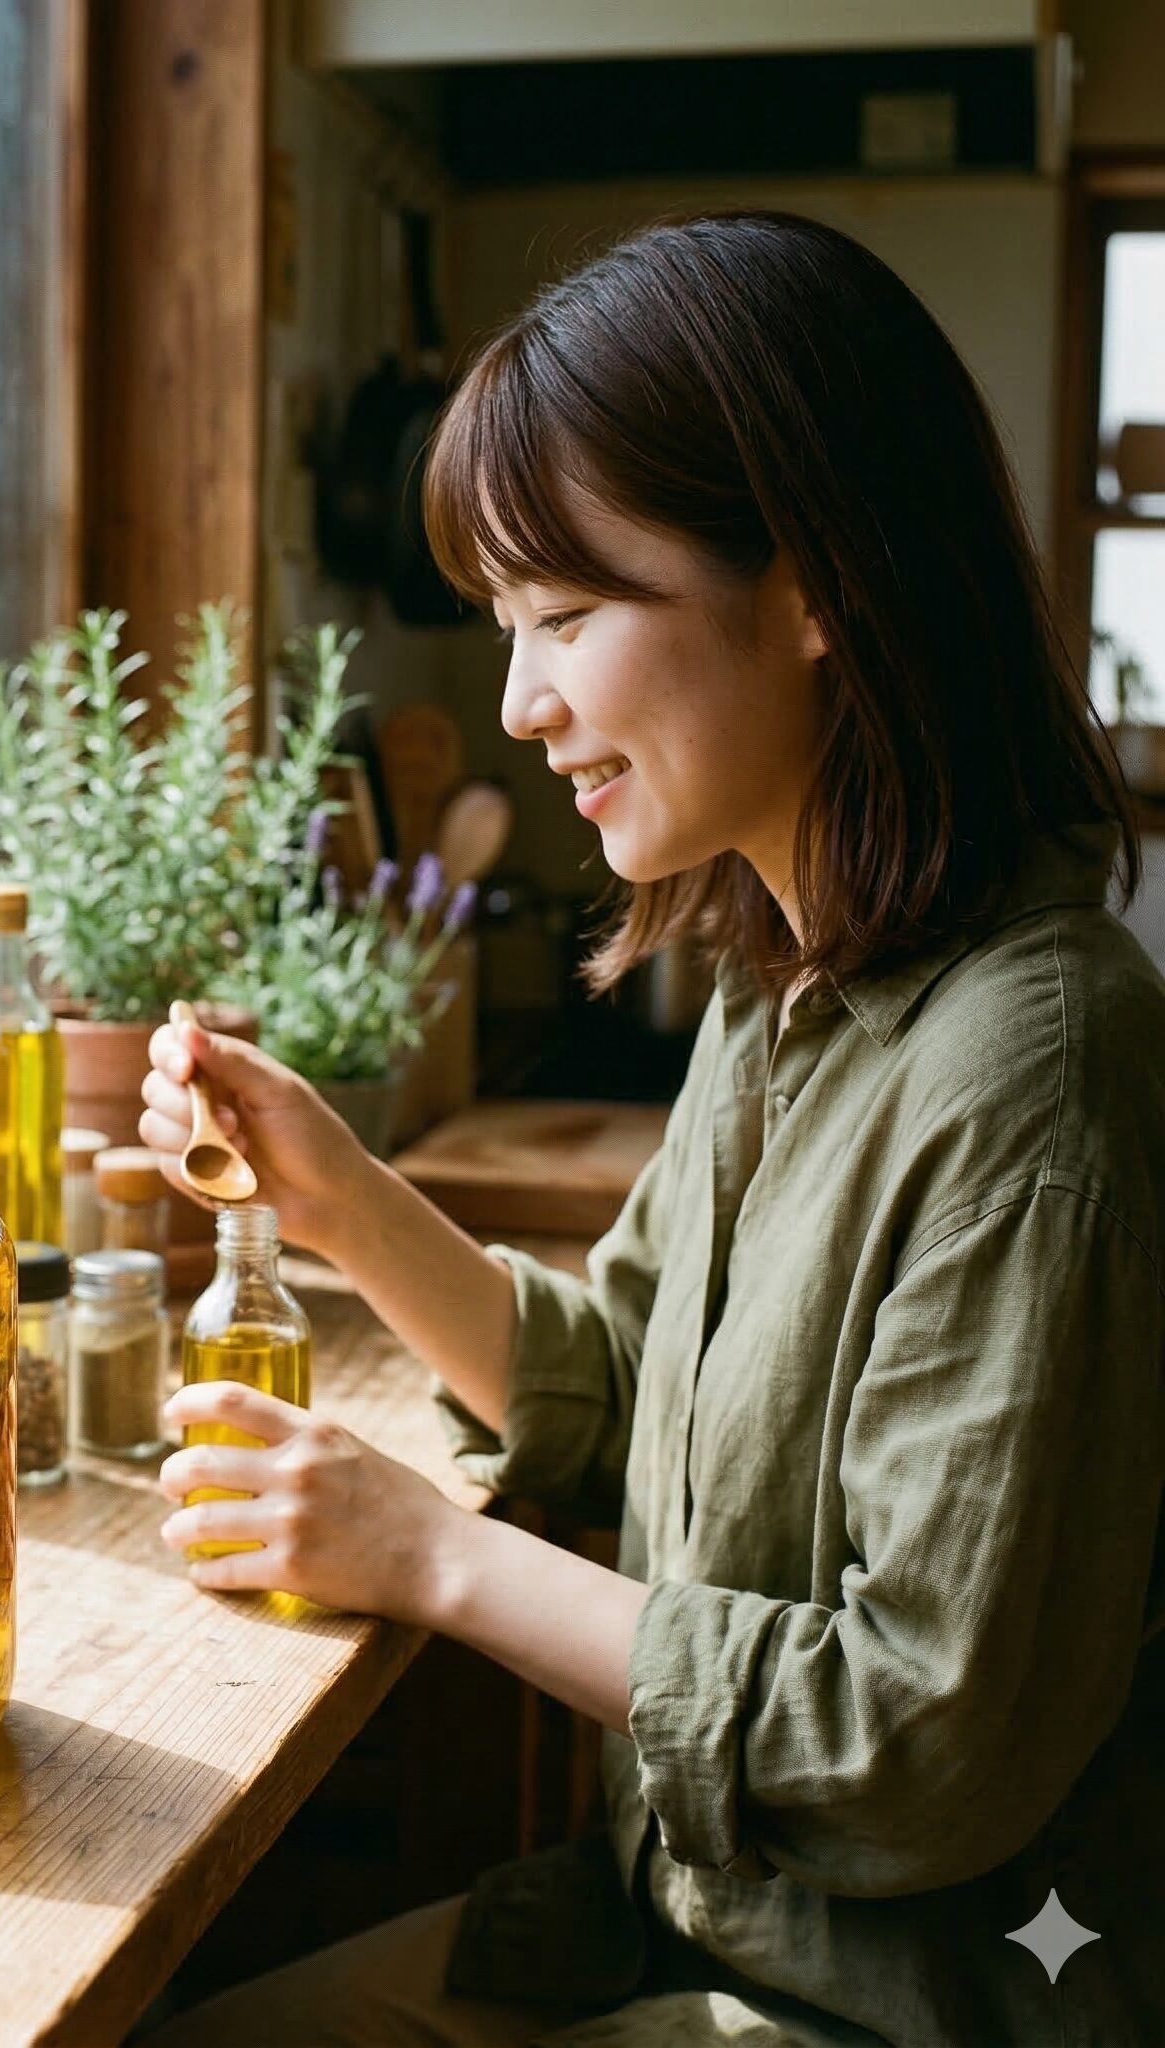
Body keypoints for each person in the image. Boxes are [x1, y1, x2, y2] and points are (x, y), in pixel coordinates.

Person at [135, 213, 1165, 2047]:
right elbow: (625, 1387)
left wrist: (428, 1555)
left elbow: (917, 1740)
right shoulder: (787, 973)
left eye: (567, 620)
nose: (523, 705)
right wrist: (345, 1197)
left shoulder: (1033, 1069)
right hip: (659, 1942)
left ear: (814, 583)